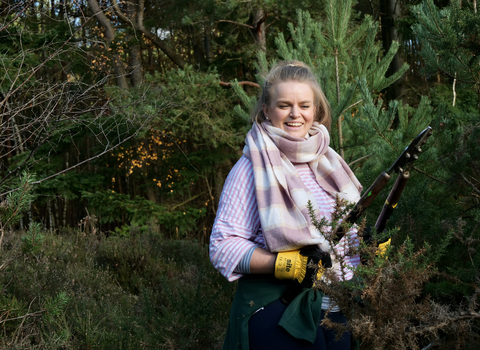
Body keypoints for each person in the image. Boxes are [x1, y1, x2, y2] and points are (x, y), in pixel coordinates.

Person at [209, 60, 363, 350]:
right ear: (266, 110)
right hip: (278, 305)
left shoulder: (329, 162)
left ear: (316, 110)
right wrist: (282, 263)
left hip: (337, 309)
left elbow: (339, 237)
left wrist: (366, 246)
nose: (296, 114)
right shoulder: (249, 167)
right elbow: (222, 247)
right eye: (284, 105)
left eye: (304, 105)